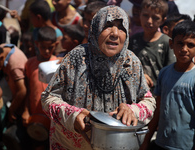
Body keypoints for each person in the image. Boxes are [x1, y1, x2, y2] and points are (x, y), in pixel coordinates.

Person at [41, 5, 156, 150]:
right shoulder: (76, 58)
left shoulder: (131, 62)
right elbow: (48, 97)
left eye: (121, 28)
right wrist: (73, 115)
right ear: (95, 28)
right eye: (108, 26)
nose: (115, 33)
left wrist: (133, 111)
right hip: (71, 145)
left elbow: (149, 101)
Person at [140, 20, 195, 150]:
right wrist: (146, 140)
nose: (184, 49)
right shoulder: (164, 73)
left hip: (187, 146)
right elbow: (158, 109)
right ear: (171, 44)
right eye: (180, 43)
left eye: (190, 45)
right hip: (161, 143)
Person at [128, 0, 176, 94]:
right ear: (139, 14)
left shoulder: (166, 42)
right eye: (145, 15)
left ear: (163, 20)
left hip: (158, 95)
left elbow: (170, 72)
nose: (149, 21)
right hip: (135, 93)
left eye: (155, 18)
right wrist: (139, 75)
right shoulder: (133, 40)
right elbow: (127, 65)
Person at [23, 26, 58, 149]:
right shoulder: (30, 63)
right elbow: (29, 90)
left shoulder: (58, 64)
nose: (47, 51)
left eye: (51, 47)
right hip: (35, 117)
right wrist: (26, 110)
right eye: (43, 47)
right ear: (37, 44)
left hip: (53, 120)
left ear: (56, 44)